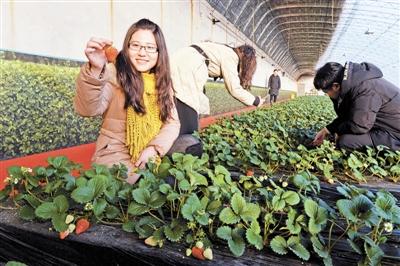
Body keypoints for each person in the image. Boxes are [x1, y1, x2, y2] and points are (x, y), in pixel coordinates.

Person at [74, 18, 180, 184]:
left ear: (160, 52)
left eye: (150, 48)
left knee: (190, 147)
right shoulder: (113, 73)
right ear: (127, 47)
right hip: (116, 155)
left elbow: (172, 123)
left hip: (150, 149)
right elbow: (87, 110)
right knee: (152, 188)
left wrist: (154, 148)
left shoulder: (162, 81)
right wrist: (95, 69)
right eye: (136, 45)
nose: (142, 53)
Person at [170, 42, 265, 136]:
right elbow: (234, 89)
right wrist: (255, 101)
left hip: (181, 61)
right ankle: (184, 140)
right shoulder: (232, 57)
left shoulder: (224, 50)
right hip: (187, 67)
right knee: (188, 114)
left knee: (185, 104)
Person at [312, 61, 400, 151]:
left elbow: (359, 125)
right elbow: (348, 115)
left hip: (395, 134)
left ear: (336, 86)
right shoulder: (354, 83)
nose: (327, 95)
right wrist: (327, 130)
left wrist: (338, 131)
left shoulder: (364, 89)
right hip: (386, 127)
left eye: (326, 92)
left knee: (345, 141)